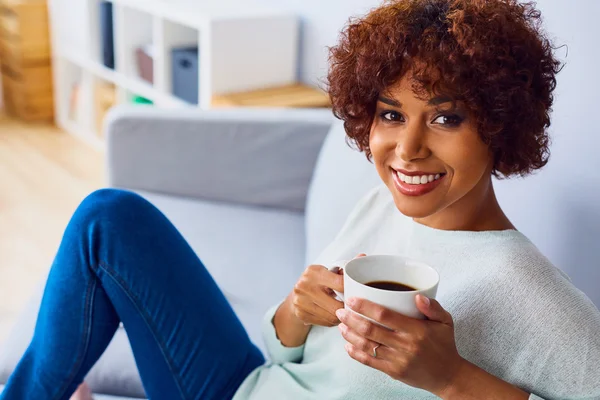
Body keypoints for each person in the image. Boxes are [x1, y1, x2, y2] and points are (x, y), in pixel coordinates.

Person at [3, 0, 600, 399]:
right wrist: (294, 312)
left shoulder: (527, 292)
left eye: (446, 117)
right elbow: (276, 353)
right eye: (391, 114)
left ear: (500, 124)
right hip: (248, 384)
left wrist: (450, 378)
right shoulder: (380, 206)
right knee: (108, 219)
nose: (407, 148)